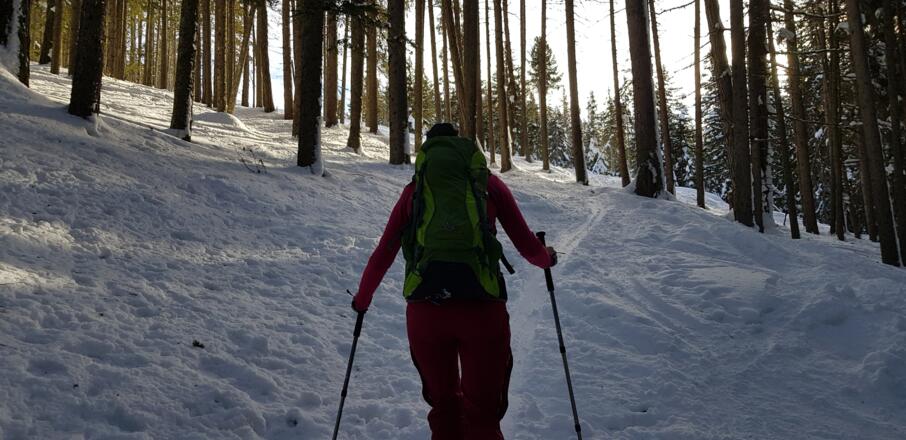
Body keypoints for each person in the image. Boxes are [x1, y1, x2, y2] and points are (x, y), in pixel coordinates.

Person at [352, 123, 557, 440]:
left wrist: (362, 301)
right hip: (483, 312)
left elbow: (383, 253)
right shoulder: (488, 185)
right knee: (483, 417)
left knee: (445, 411)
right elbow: (529, 248)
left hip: (426, 313)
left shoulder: (414, 192)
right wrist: (548, 257)